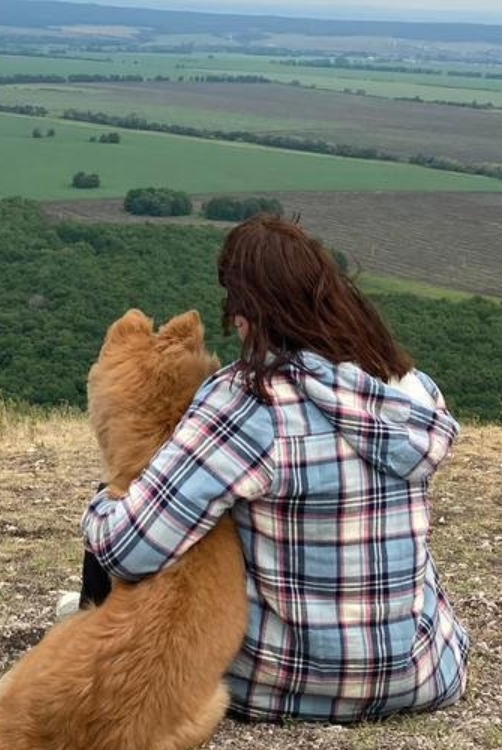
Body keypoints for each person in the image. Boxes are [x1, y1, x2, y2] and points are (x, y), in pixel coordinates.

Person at [79, 214, 471, 723]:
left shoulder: (248, 401)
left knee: (126, 514)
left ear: (252, 311)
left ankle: (91, 636)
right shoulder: (412, 389)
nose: (233, 319)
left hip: (282, 683)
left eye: (236, 304)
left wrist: (103, 502)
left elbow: (129, 550)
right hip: (424, 672)